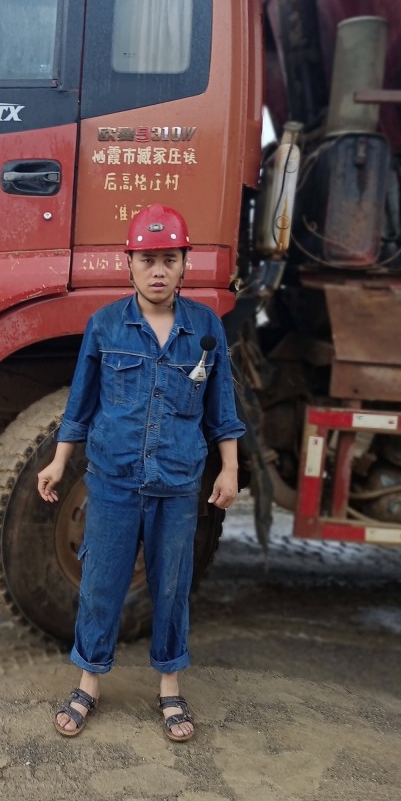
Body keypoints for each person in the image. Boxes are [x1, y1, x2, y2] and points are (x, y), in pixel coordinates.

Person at [37, 203, 244, 742]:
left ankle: (170, 688)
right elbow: (81, 404)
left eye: (169, 260)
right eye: (147, 259)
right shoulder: (105, 325)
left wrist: (229, 470)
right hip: (113, 480)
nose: (158, 271)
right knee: (100, 583)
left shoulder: (206, 328)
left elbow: (222, 409)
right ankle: (89, 681)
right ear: (128, 263)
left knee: (171, 587)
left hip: (177, 483)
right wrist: (59, 460)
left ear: (184, 264)